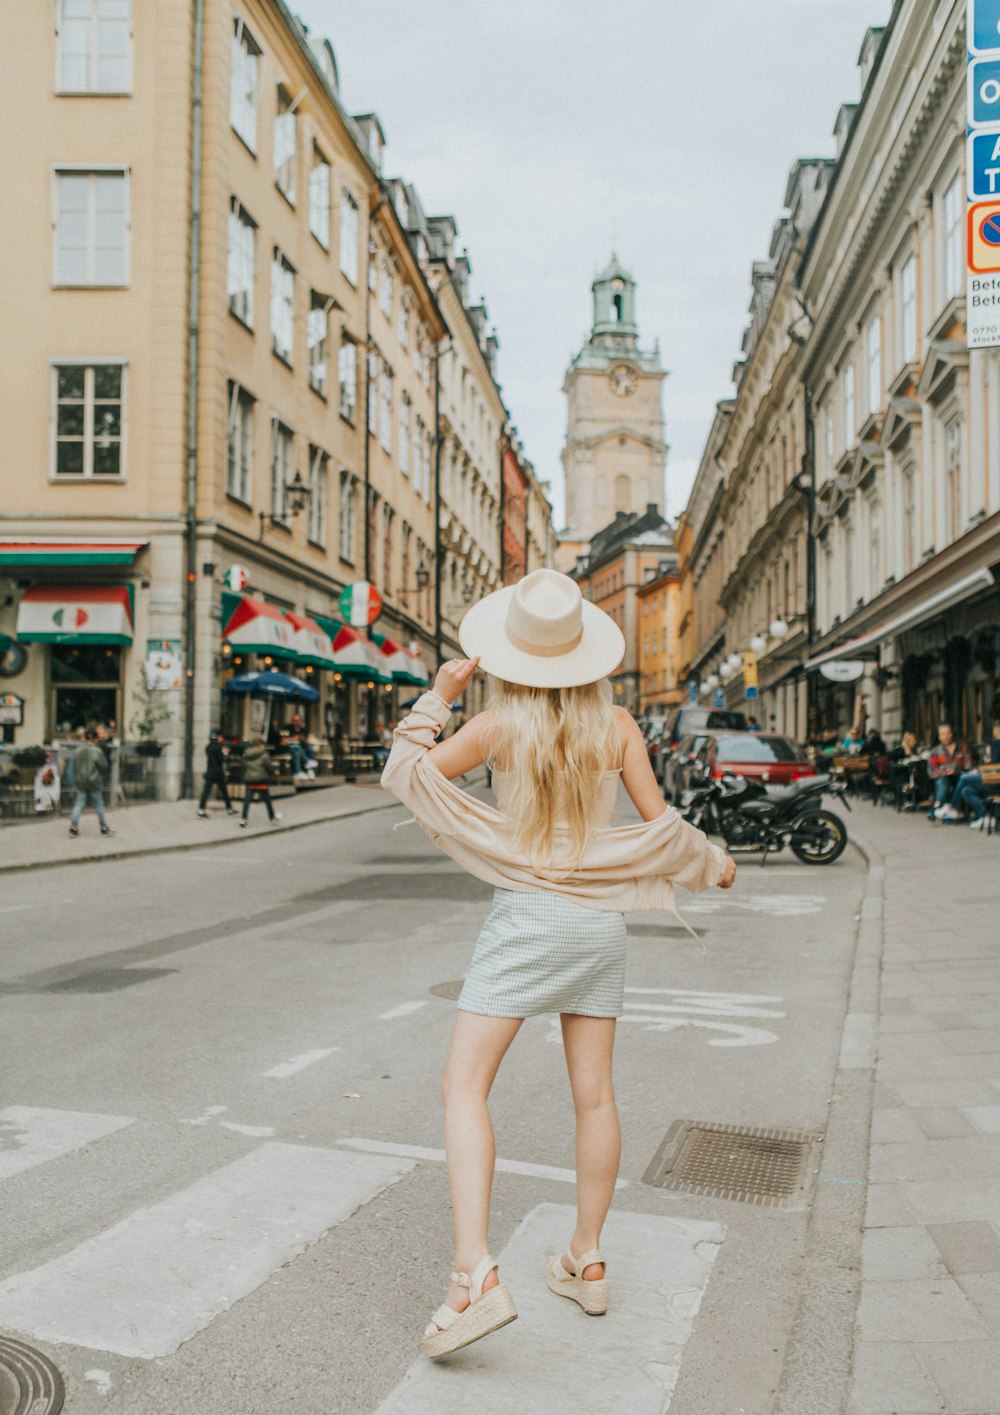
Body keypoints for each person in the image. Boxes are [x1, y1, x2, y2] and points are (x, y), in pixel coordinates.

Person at [380, 568, 736, 1360]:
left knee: (464, 1086)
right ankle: (588, 1255)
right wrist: (714, 863)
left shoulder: (499, 725)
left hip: (526, 919)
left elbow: (404, 776)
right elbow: (662, 827)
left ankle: (473, 1269)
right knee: (595, 1095)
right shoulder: (616, 725)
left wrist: (438, 695)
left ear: (514, 652)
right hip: (599, 926)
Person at [939, 722, 1000, 828]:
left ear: (996, 732)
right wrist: (983, 765)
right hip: (989, 780)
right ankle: (987, 816)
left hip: (993, 781)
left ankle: (952, 807)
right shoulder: (992, 744)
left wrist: (985, 764)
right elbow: (983, 761)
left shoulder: (996, 743)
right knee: (966, 790)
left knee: (963, 777)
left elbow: (991, 763)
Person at [68, 727, 113, 837]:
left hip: (81, 782)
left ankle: (73, 827)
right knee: (99, 805)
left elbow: (74, 766)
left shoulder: (78, 751)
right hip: (94, 781)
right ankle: (103, 827)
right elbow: (104, 766)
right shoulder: (97, 751)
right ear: (96, 739)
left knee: (79, 804)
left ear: (85, 738)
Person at [929, 722, 972, 820]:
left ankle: (937, 808)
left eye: (948, 733)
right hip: (943, 778)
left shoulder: (962, 747)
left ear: (952, 734)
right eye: (943, 734)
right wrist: (944, 772)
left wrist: (956, 770)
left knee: (960, 779)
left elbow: (968, 765)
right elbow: (932, 770)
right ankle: (942, 807)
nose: (946, 736)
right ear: (939, 737)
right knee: (943, 781)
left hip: (960, 776)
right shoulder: (935, 751)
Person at [239, 735, 281, 827]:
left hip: (250, 780)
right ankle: (272, 818)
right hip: (261, 780)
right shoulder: (264, 755)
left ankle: (243, 819)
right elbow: (269, 768)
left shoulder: (246, 754)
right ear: (260, 744)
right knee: (267, 801)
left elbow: (243, 766)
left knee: (247, 801)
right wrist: (273, 772)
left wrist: (245, 776)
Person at [197, 729, 236, 817]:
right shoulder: (219, 747)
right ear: (217, 737)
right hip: (218, 772)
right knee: (224, 792)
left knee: (206, 792)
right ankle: (229, 809)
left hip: (210, 772)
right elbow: (222, 759)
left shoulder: (208, 747)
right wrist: (225, 754)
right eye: (220, 737)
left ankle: (201, 810)